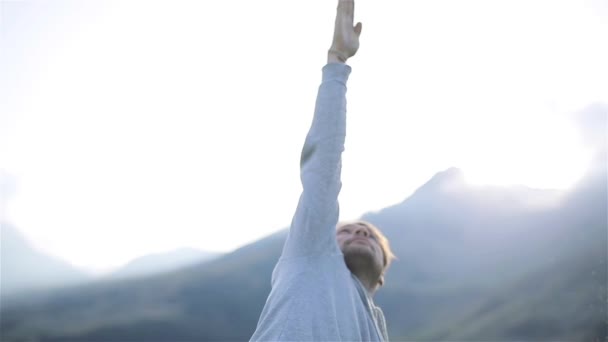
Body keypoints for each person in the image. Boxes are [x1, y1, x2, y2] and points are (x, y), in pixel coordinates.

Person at [250, 0, 395, 340]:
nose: (361, 233)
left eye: (370, 236)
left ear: (382, 276)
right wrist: (337, 65)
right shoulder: (313, 254)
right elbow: (323, 169)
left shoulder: (375, 331)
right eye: (346, 231)